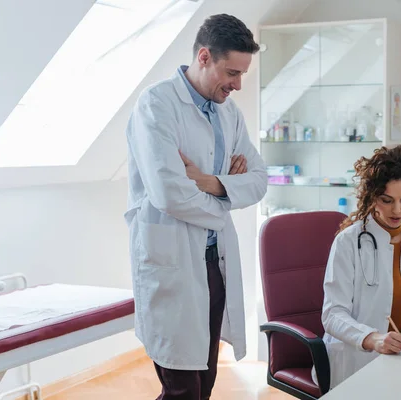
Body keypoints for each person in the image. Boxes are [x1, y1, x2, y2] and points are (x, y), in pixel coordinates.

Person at [124, 14, 267, 400]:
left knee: (203, 384)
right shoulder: (156, 106)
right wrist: (226, 198)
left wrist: (208, 181)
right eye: (231, 73)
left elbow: (258, 180)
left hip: (213, 263)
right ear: (204, 56)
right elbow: (169, 193)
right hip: (171, 262)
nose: (237, 85)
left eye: (242, 74)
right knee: (181, 389)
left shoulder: (228, 113)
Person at [315, 145, 401, 389]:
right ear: (373, 197)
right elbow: (332, 315)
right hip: (359, 360)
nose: (397, 210)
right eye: (387, 200)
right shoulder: (348, 242)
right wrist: (373, 339)